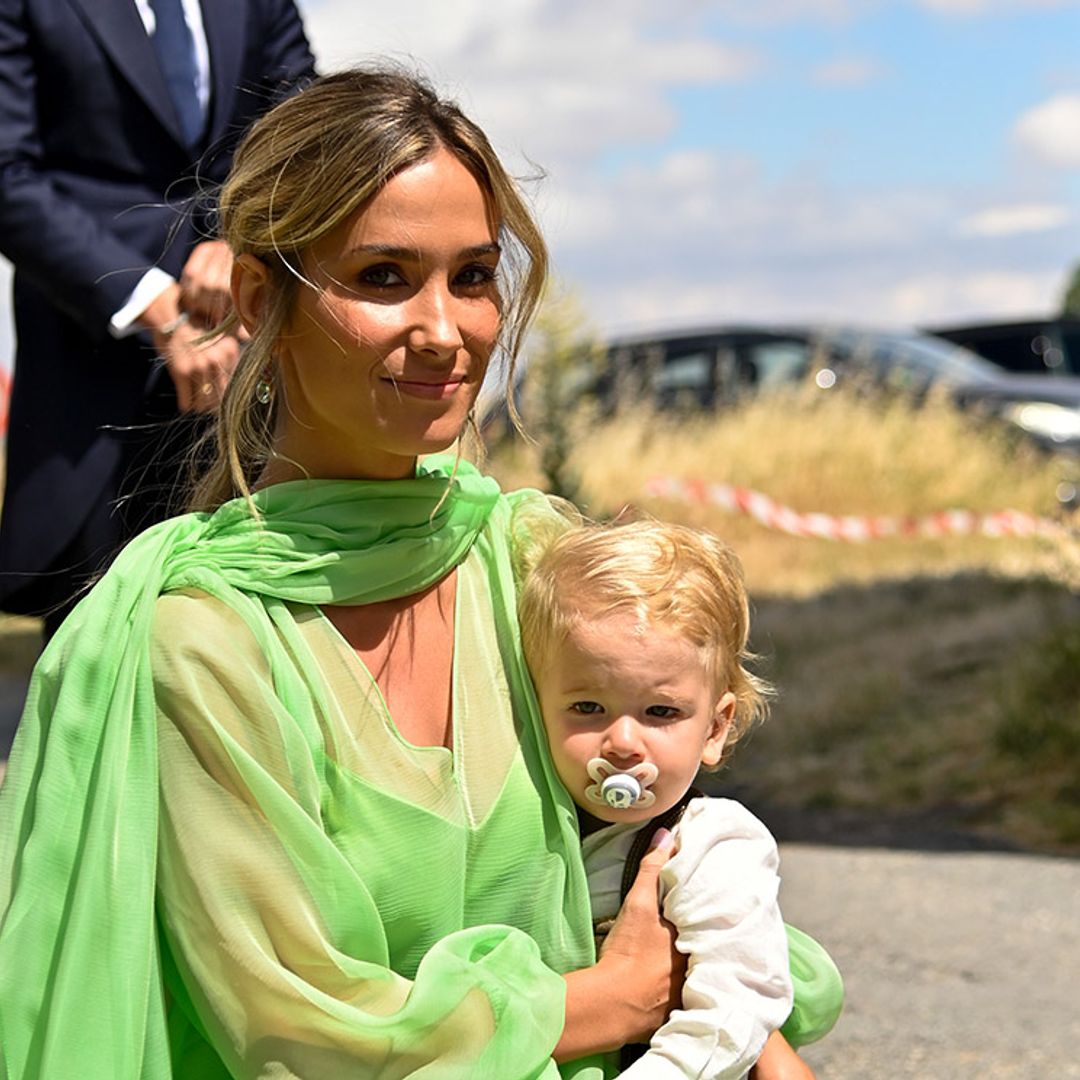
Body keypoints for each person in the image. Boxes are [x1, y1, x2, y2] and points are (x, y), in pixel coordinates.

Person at [0, 68, 691, 1080]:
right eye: (381, 277)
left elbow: (665, 867)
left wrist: (745, 1014)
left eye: (472, 275)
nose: (446, 332)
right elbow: (298, 1033)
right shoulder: (203, 635)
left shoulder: (532, 562)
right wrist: (605, 1002)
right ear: (256, 300)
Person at [0, 0, 316, 637]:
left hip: (247, 384)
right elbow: (8, 174)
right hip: (90, 389)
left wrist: (242, 241)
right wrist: (155, 306)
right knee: (96, 671)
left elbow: (307, 136)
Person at [518, 517, 844, 1079]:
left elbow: (733, 1010)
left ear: (715, 729)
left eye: (661, 713)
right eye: (588, 708)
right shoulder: (527, 818)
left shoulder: (711, 844)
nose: (622, 741)